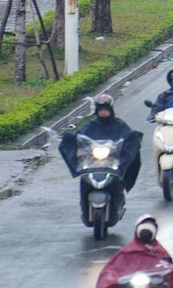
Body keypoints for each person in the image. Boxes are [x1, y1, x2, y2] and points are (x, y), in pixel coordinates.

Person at [58, 95, 143, 226]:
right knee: (84, 180)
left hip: (112, 162)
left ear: (110, 109)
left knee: (117, 179)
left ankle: (117, 203)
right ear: (96, 111)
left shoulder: (119, 125)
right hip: (93, 162)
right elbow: (81, 136)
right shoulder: (90, 125)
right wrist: (76, 142)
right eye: (100, 110)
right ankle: (84, 208)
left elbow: (128, 137)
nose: (103, 112)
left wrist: (125, 144)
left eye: (105, 109)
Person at [95, 215, 173, 288]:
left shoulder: (160, 252)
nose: (146, 235)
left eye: (148, 232)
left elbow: (170, 269)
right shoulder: (126, 252)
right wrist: (114, 279)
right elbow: (111, 270)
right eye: (144, 231)